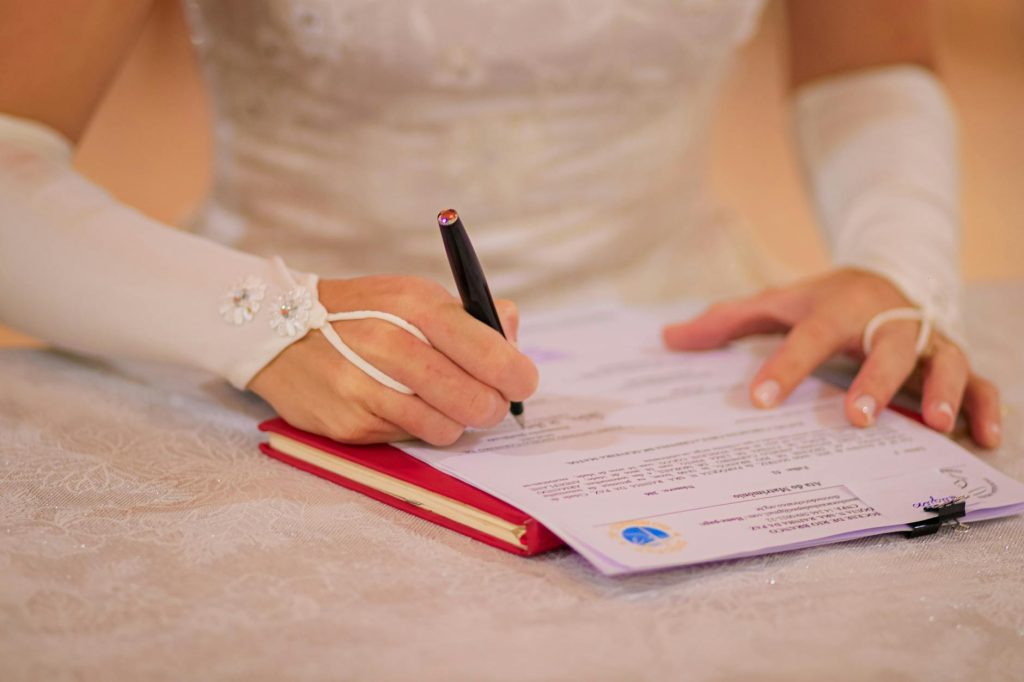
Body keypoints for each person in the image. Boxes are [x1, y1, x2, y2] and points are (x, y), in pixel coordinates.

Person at [0, 0, 1002, 449]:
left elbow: (867, 66)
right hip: (278, 389)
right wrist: (265, 321)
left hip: (688, 366)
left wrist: (894, 265)